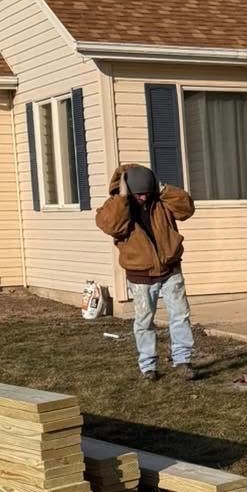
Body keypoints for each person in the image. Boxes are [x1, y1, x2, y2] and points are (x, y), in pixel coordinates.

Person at [95, 163, 197, 382]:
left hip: (170, 269)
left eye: (146, 193)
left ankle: (183, 361)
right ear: (129, 190)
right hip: (140, 275)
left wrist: (163, 190)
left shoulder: (162, 201)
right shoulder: (115, 207)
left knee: (180, 316)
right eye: (138, 193)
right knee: (144, 321)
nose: (143, 198)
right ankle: (148, 366)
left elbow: (187, 208)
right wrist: (122, 198)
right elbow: (111, 226)